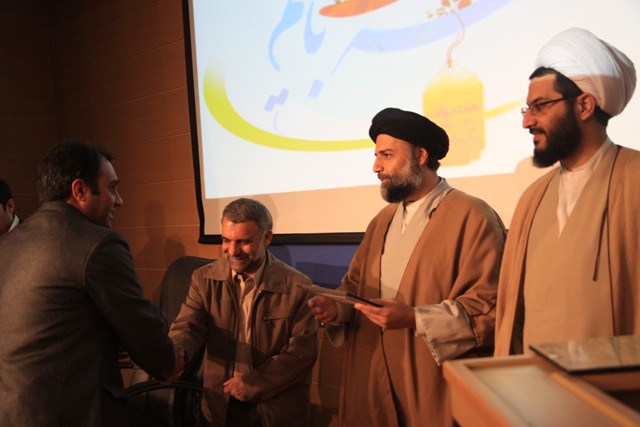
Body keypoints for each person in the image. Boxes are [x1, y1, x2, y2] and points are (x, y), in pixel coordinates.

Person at [309, 108, 506, 427]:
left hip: (429, 380)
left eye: (386, 155)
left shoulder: (473, 216)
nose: (376, 167)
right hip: (373, 375)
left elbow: (490, 309)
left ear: (421, 155)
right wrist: (338, 309)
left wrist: (414, 318)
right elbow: (355, 289)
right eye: (376, 156)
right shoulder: (382, 221)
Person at [0, 140, 180, 426]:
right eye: (112, 188)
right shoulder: (98, 243)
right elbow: (143, 332)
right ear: (80, 190)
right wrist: (170, 360)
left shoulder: (8, 244)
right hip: (72, 414)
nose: (119, 200)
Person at [494, 28, 639, 356]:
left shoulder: (634, 179)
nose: (527, 122)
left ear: (584, 106)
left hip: (617, 383)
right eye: (526, 109)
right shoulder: (533, 198)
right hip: (534, 381)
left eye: (540, 106)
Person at [169, 198, 318, 427]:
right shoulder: (203, 279)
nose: (232, 251)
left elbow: (302, 353)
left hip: (275, 410)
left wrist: (253, 383)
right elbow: (188, 327)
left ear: (267, 238)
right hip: (220, 405)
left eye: (244, 242)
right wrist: (175, 355)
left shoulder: (299, 286)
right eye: (226, 240)